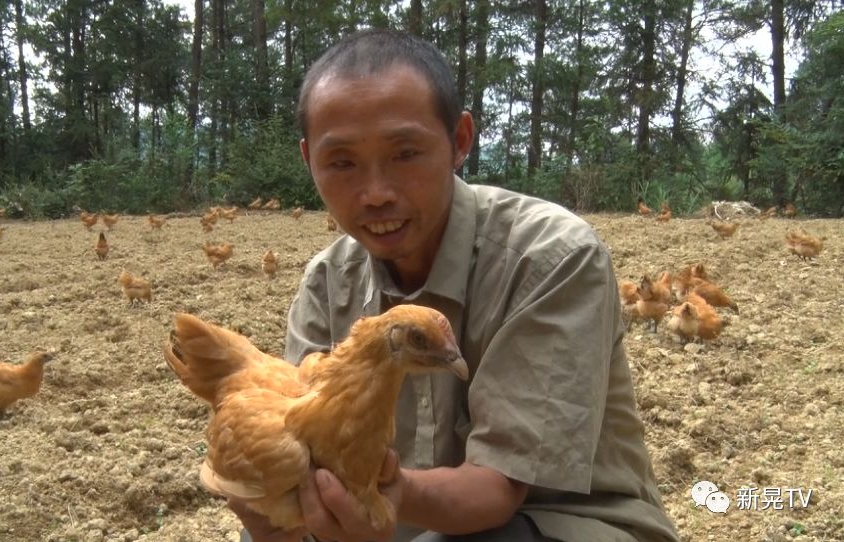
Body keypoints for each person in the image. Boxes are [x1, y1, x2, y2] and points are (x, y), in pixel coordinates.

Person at [230, 29, 681, 542]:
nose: (376, 193)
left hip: (559, 522)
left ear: (460, 141)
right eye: (342, 163)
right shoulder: (327, 282)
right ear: (309, 161)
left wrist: (385, 494)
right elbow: (306, 450)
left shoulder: (550, 259)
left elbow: (498, 489)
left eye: (405, 153)